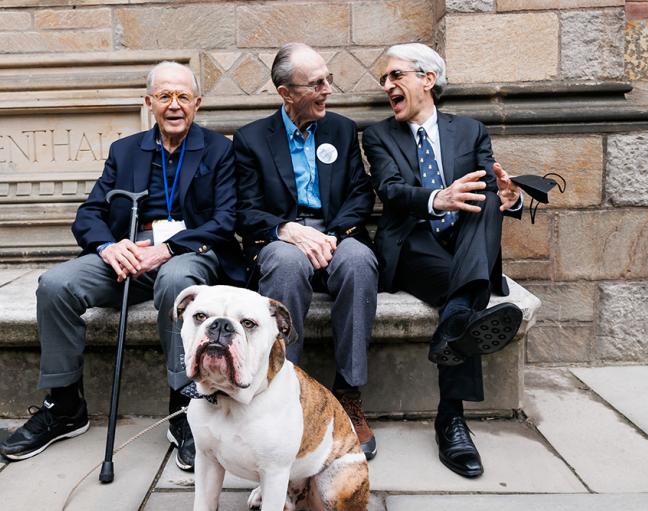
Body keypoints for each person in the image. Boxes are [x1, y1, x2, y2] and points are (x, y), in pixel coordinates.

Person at [0, 61, 245, 472]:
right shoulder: (125, 150)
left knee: (176, 280)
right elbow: (89, 213)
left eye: (183, 96)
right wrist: (108, 247)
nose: (173, 105)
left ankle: (184, 404)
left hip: (187, 252)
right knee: (55, 285)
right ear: (149, 103)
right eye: (164, 96)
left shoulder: (219, 149)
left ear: (197, 104)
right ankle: (64, 406)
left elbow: (225, 221)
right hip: (129, 253)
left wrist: (165, 249)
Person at [362, 43, 524, 477]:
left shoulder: (470, 130)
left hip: (466, 244)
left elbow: (493, 185)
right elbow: (392, 191)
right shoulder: (378, 135)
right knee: (469, 297)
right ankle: (451, 419)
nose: (387, 86)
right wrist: (439, 198)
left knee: (488, 196)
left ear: (427, 79)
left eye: (395, 76)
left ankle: (454, 324)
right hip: (414, 248)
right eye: (384, 80)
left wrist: (510, 199)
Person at [234, 43, 379, 460]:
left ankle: (348, 393)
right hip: (281, 238)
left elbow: (359, 193)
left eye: (328, 79)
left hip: (335, 234)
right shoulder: (251, 139)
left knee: (358, 261)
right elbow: (244, 210)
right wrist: (287, 229)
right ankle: (285, 390)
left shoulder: (341, 130)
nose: (327, 89)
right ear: (286, 93)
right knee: (286, 262)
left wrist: (332, 235)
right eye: (316, 83)